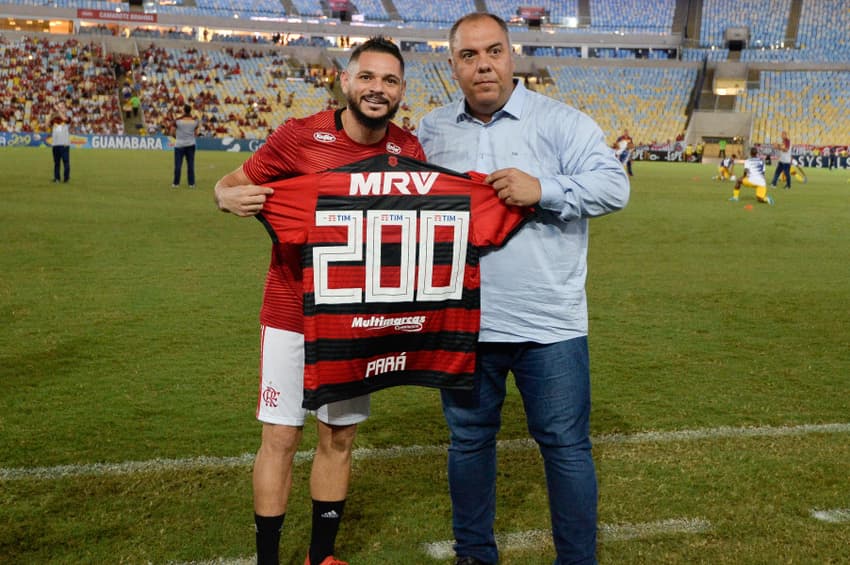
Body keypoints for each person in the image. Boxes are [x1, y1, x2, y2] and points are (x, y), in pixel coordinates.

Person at [417, 13, 630, 565]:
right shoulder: (431, 130)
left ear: (512, 56)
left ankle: (578, 560)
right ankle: (473, 555)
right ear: (453, 65)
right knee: (468, 443)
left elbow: (614, 186)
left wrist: (544, 189)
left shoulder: (561, 122)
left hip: (549, 323)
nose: (483, 64)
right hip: (463, 322)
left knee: (564, 447)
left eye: (493, 52)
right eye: (469, 55)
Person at [213, 37, 424, 565]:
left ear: (401, 91)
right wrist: (222, 195)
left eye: (390, 81)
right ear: (347, 81)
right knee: (281, 437)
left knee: (340, 437)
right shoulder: (298, 137)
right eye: (369, 77)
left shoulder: (409, 150)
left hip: (358, 320)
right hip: (292, 313)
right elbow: (233, 184)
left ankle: (320, 556)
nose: (378, 89)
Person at [172, 104, 198, 188]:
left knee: (178, 165)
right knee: (190, 164)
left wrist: (176, 137)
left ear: (183, 110)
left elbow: (172, 131)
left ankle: (176, 183)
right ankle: (191, 183)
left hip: (179, 144)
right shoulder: (194, 121)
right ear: (190, 110)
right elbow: (196, 133)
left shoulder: (178, 121)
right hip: (191, 144)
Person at [50, 103, 71, 183]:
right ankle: (57, 178)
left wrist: (58, 110)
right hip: (55, 144)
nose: (60, 108)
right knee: (56, 163)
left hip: (64, 144)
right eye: (59, 107)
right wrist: (50, 114)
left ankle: (66, 178)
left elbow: (65, 119)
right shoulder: (55, 119)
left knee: (66, 162)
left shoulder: (67, 117)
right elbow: (46, 124)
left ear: (65, 109)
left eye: (62, 107)